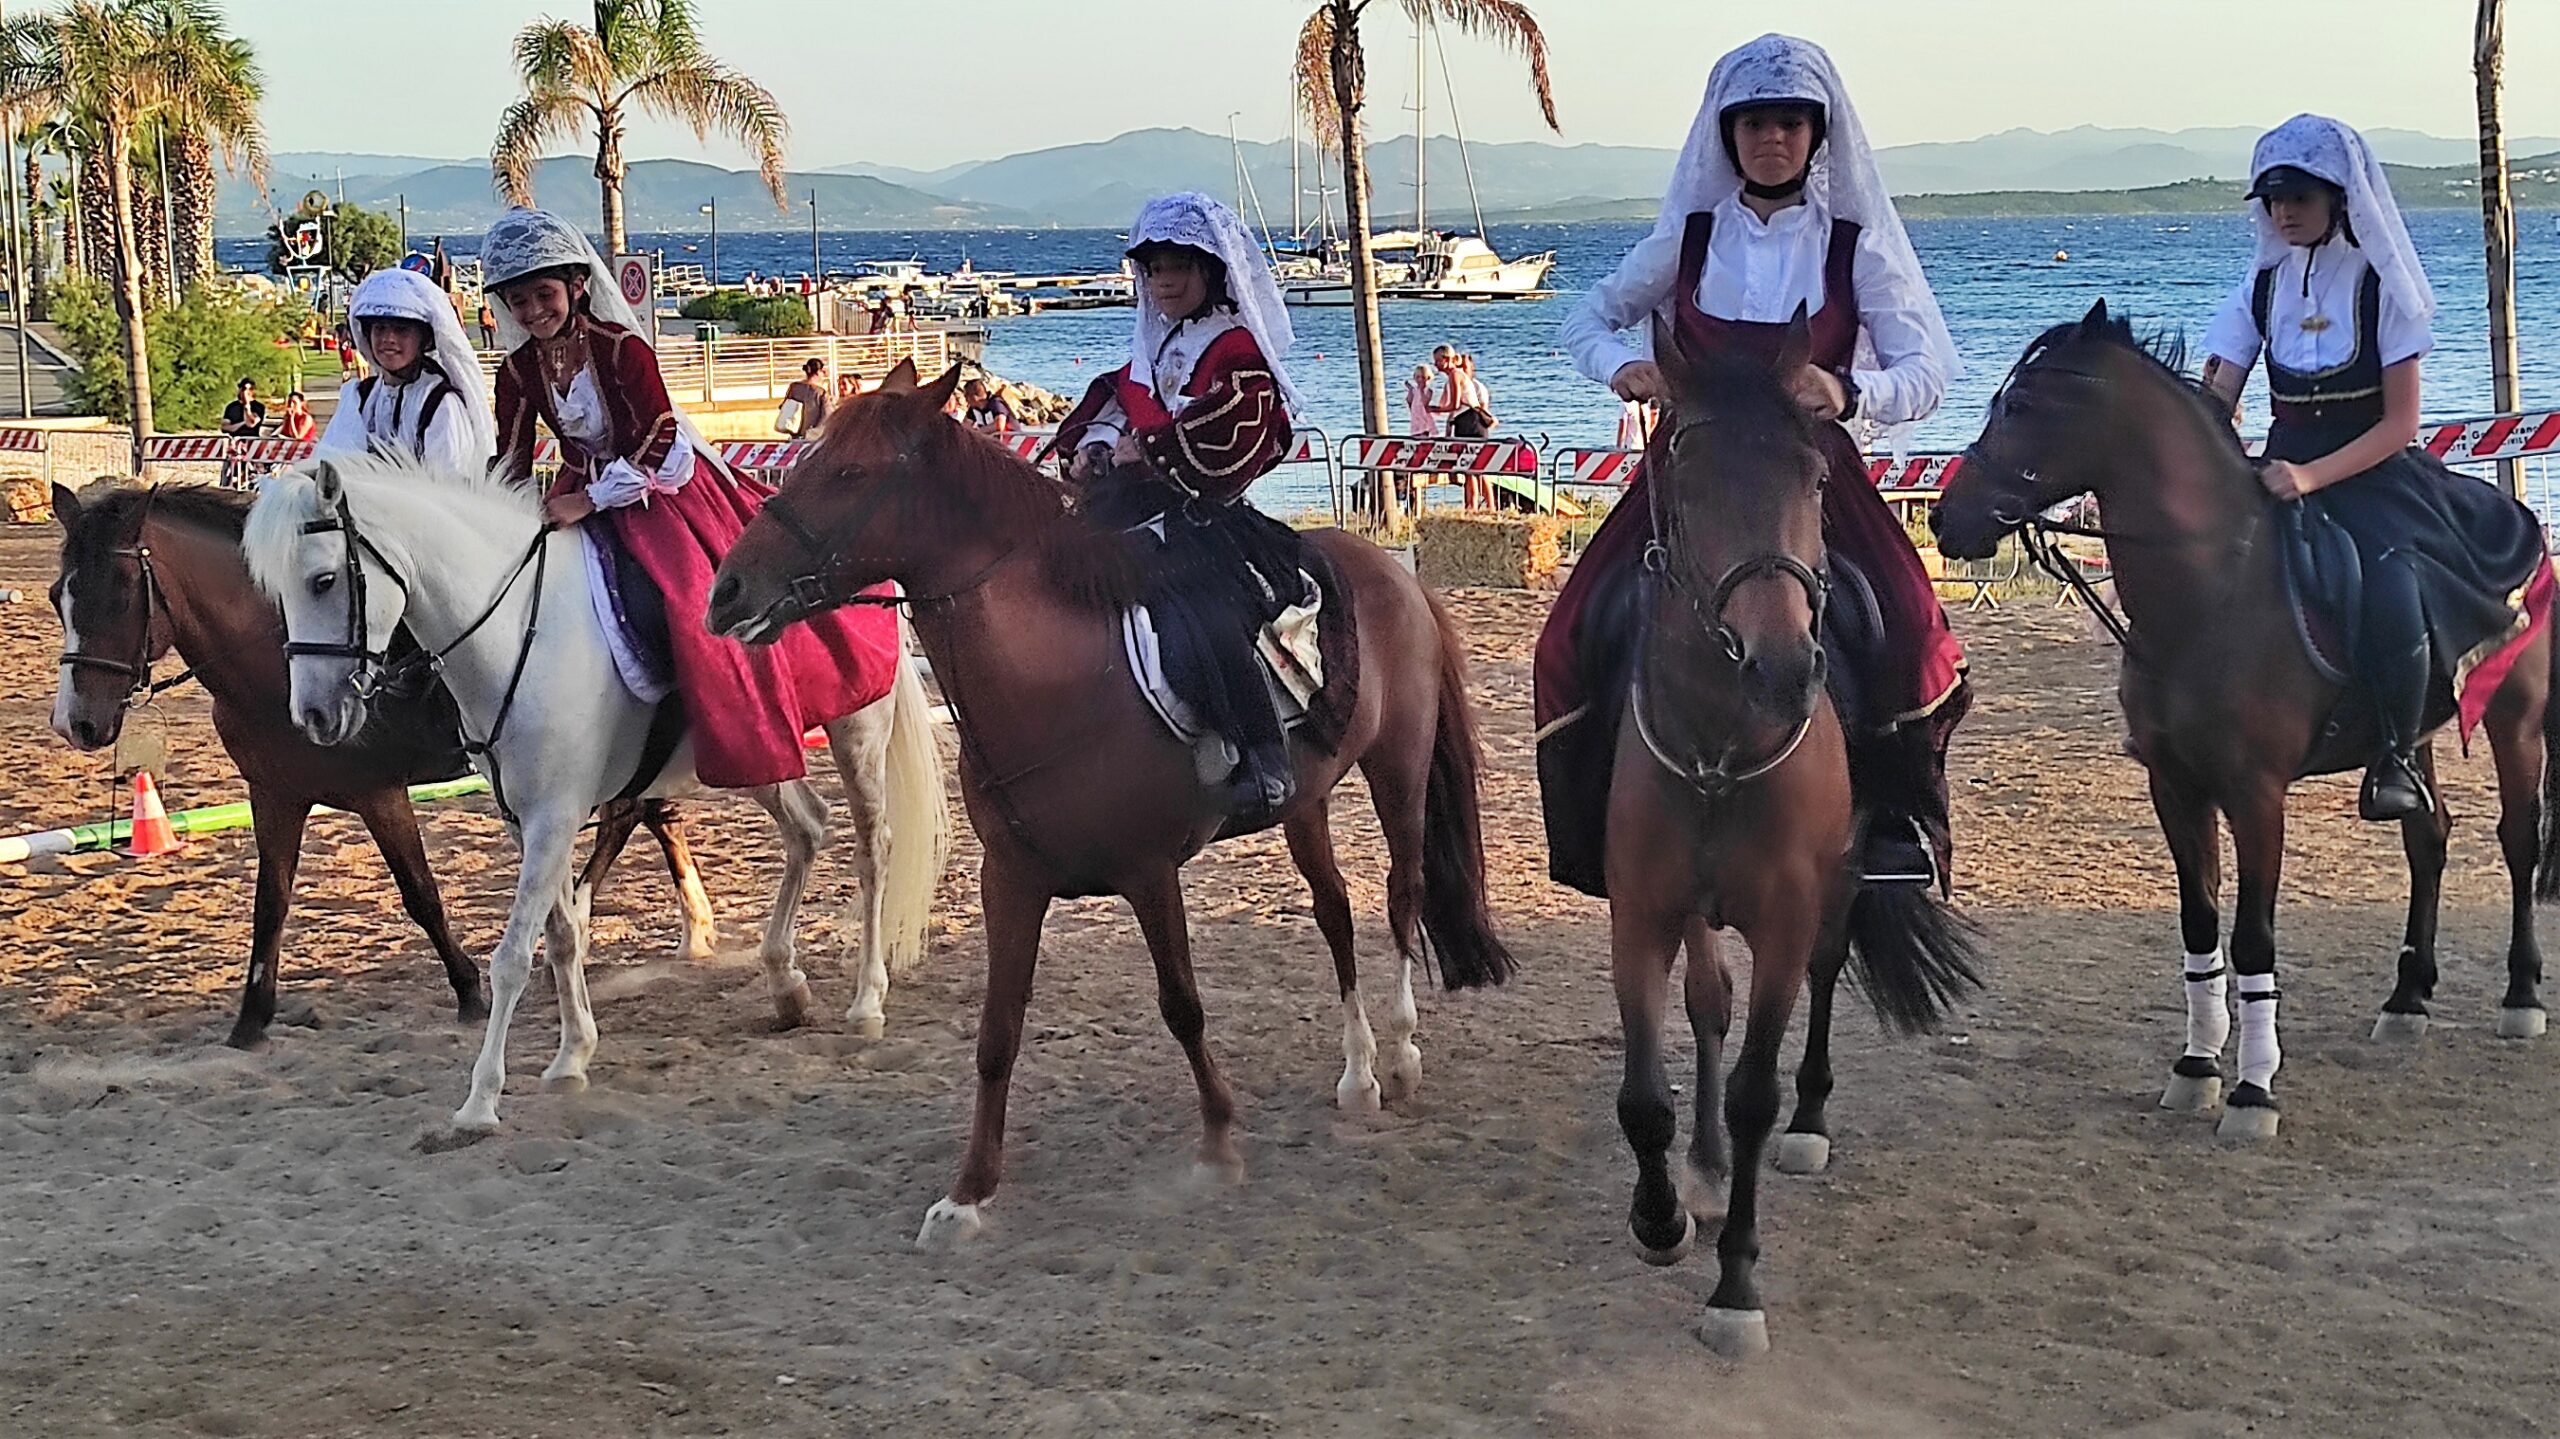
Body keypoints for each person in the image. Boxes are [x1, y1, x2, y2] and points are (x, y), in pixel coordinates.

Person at [1541, 32, 1969, 893]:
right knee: (1565, 638)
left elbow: (1929, 370)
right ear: (1727, 135)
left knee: (1914, 634)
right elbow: (1583, 319)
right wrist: (1616, 366)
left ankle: (1897, 827)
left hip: (1809, 474)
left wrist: (1848, 392)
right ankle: (1590, 829)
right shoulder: (1686, 241)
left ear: (1817, 134)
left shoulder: (1855, 246)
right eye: (1753, 123)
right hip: (1690, 473)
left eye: (1789, 122)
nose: (1771, 137)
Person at [2200, 115, 2545, 822]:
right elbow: (2218, 396)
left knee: (2388, 578)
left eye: (2299, 196)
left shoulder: (2379, 286)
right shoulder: (2261, 288)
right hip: (2281, 465)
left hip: (2372, 471)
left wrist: (2308, 478)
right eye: (2273, 199)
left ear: (2339, 199)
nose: (2284, 212)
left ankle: (2393, 754)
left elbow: (2401, 425)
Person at [480, 206, 896, 789]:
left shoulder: (623, 348)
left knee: (694, 604)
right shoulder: (518, 368)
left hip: (659, 490)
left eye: (543, 294)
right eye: (517, 302)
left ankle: (718, 727)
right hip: (582, 488)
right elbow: (510, 455)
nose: (533, 311)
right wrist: (502, 515)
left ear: (577, 285)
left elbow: (660, 441)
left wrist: (590, 500)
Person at [1048, 192, 1309, 825]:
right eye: (1154, 268)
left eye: (1178, 267)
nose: (1163, 280)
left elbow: (1242, 428)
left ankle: (1266, 758)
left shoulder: (1235, 346)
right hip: (1124, 512)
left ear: (1211, 272)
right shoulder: (1152, 342)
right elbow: (1112, 402)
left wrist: (1151, 450)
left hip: (1201, 517)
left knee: (1212, 619)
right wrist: (1091, 450)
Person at [315, 266, 496, 475]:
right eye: (380, 328)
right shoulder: (360, 398)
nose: (388, 339)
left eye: (401, 329)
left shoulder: (439, 404)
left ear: (425, 338)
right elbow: (331, 464)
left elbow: (451, 487)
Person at [779, 356, 829, 439]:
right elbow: (827, 415)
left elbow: (783, 407)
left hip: (794, 434)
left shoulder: (794, 387)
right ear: (818, 372)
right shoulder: (821, 393)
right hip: (812, 436)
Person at [1404, 363, 1439, 436]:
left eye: (1423, 377)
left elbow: (1424, 402)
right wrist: (1410, 389)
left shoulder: (1428, 391)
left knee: (1424, 434)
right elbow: (1409, 401)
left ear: (1428, 378)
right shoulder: (1414, 390)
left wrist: (1421, 390)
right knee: (1415, 435)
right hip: (1416, 418)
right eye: (1418, 377)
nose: (1420, 380)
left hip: (1424, 418)